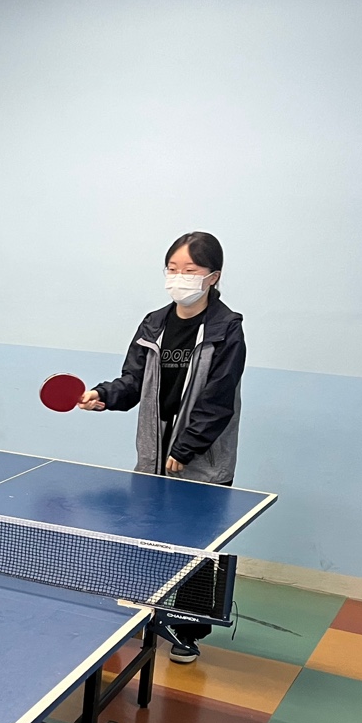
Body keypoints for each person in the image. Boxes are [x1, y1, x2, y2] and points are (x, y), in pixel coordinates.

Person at [79, 231, 245, 663]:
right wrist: (104, 395)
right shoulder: (154, 324)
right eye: (173, 269)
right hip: (155, 449)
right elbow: (133, 380)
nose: (179, 278)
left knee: (196, 546)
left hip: (202, 456)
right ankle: (138, 615)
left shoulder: (226, 329)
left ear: (212, 276)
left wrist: (185, 449)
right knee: (145, 534)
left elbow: (218, 399)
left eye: (190, 270)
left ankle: (188, 631)